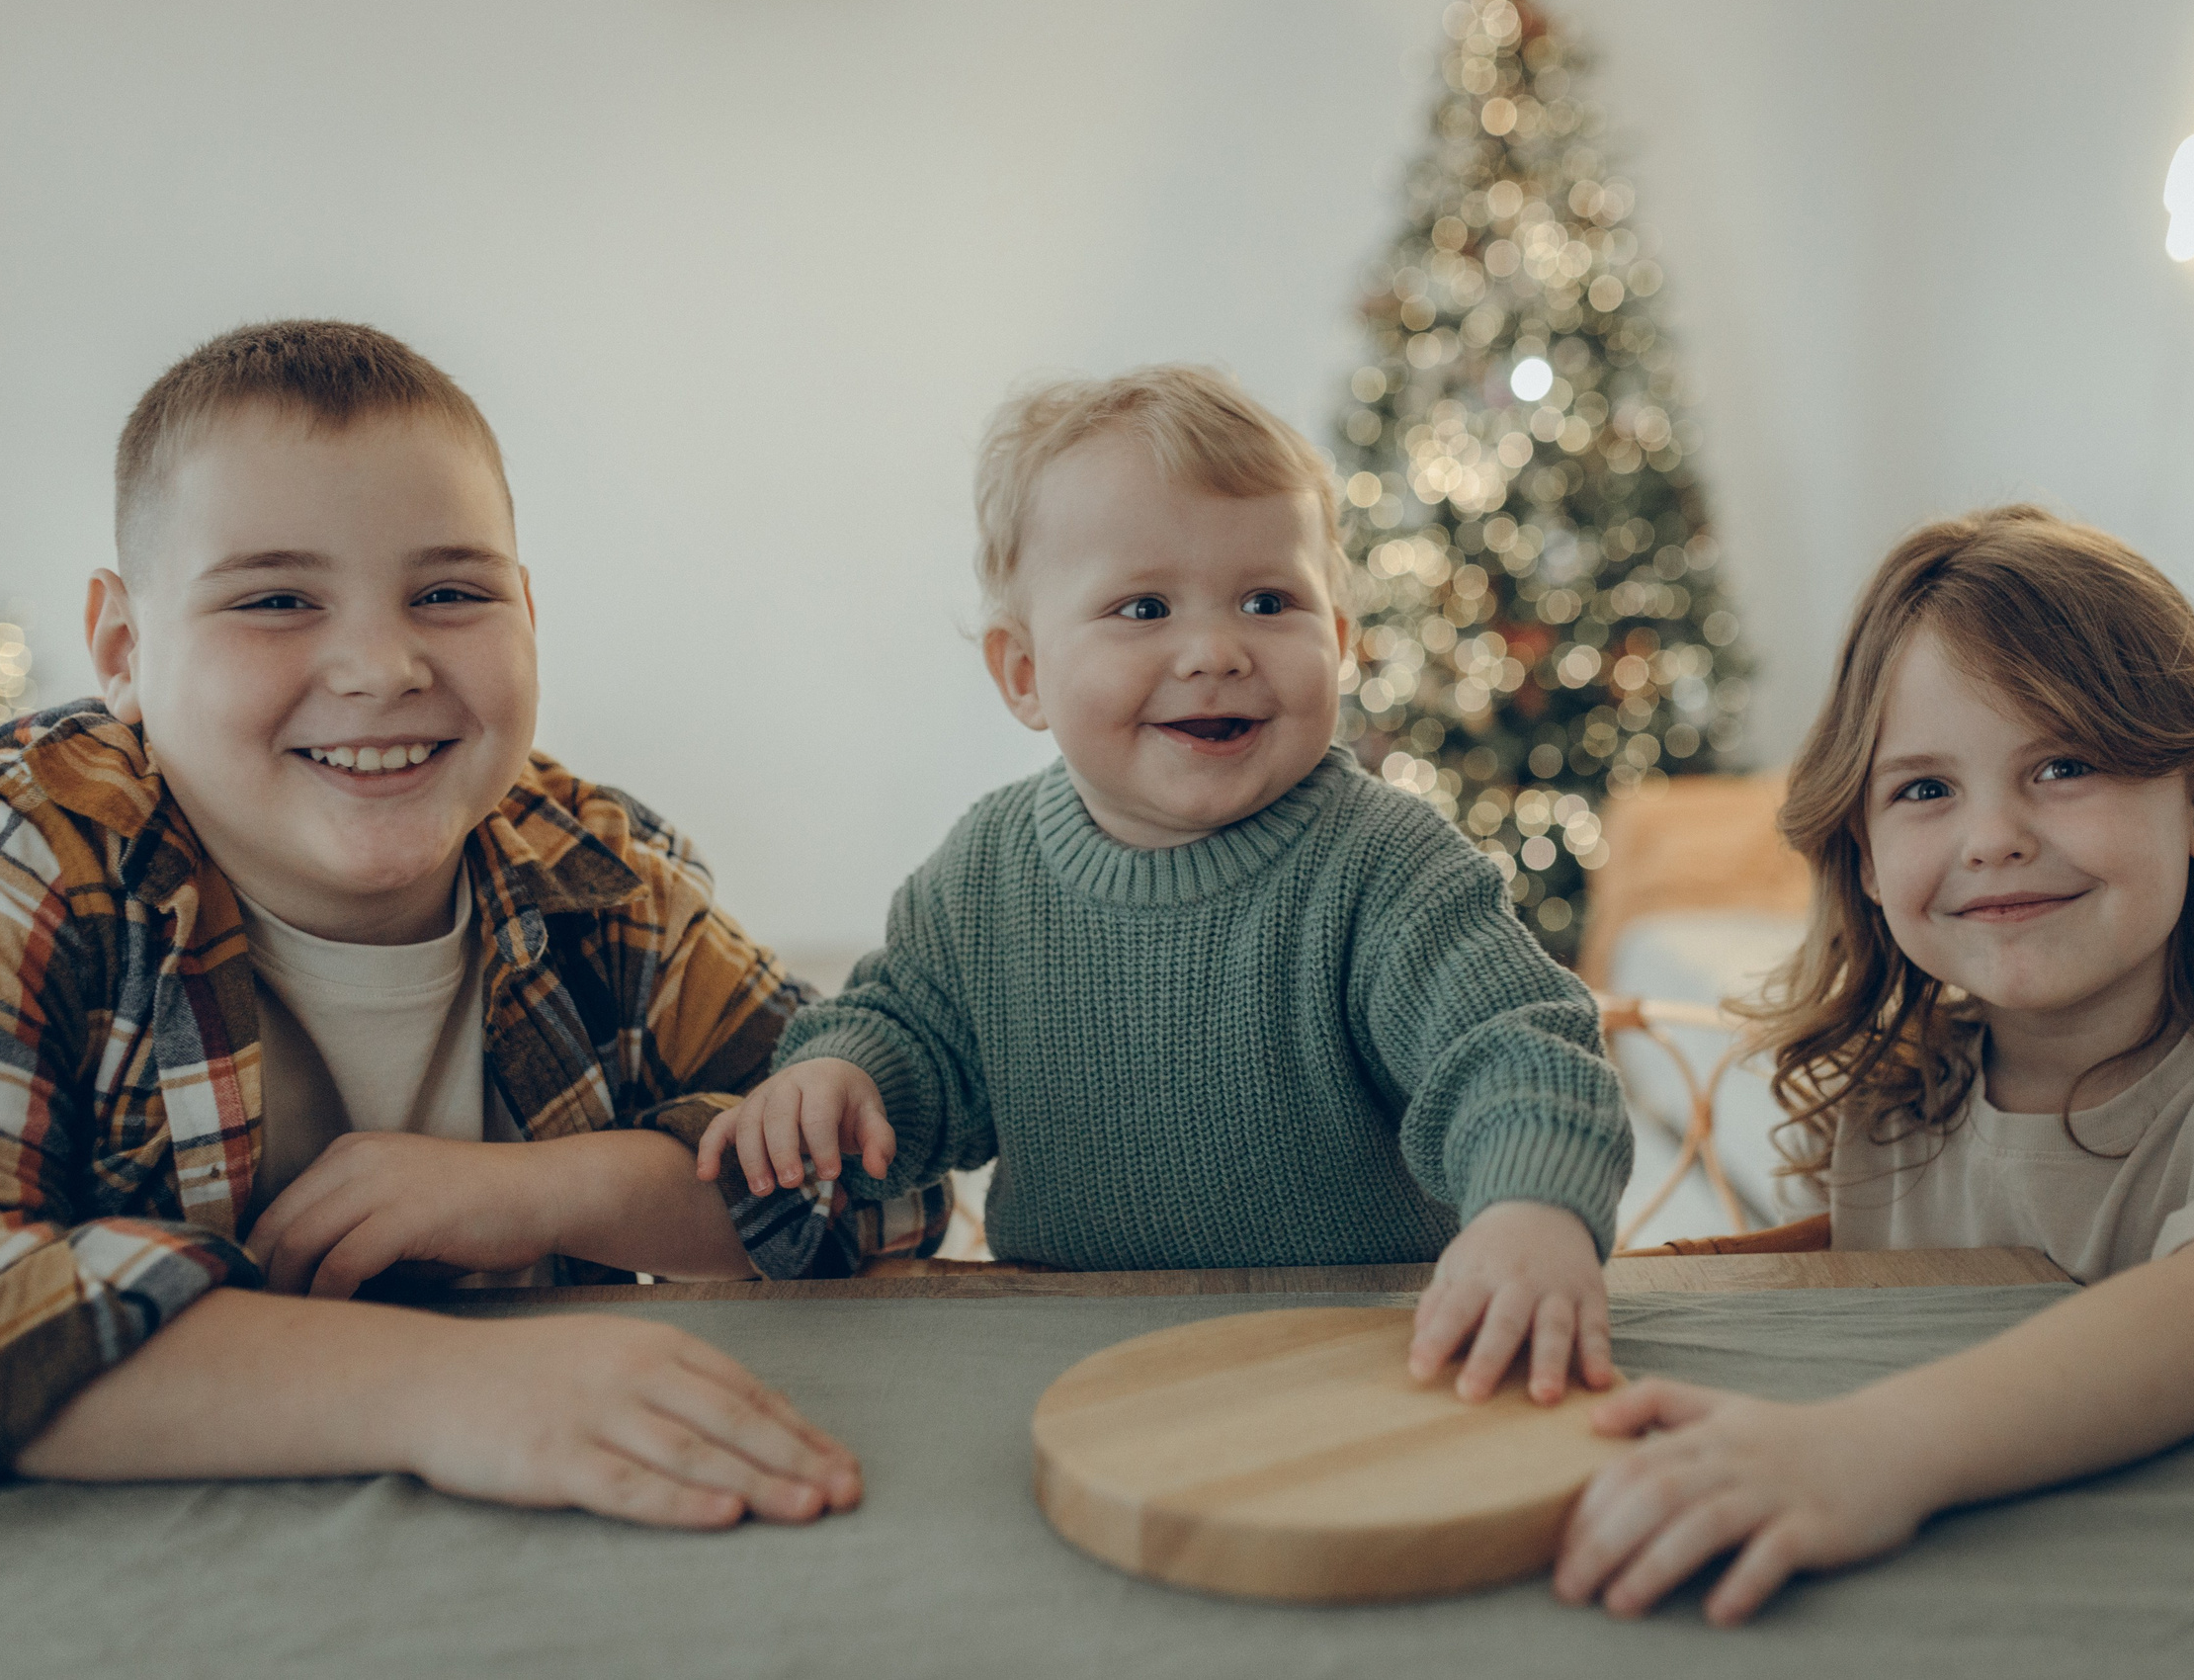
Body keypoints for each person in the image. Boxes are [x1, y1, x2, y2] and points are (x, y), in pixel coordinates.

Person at [0, 320, 940, 1524]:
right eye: (273, 599)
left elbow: (894, 1177)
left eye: (450, 592)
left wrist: (543, 1191)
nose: (382, 664)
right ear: (123, 645)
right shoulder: (13, 857)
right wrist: (444, 1387)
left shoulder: (596, 874)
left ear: (526, 610)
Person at [1552, 504, 2194, 1621]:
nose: (1991, 836)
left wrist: (1869, 1449)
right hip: (2007, 1614)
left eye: (2064, 764)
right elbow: (1886, 1293)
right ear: (1869, 863)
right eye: (1925, 789)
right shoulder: (1900, 1099)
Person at [696, 366, 1634, 1404]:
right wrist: (842, 1078)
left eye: (1267, 601)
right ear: (1023, 674)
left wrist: (1530, 1214)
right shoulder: (985, 873)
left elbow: (1512, 1050)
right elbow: (911, 1031)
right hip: (1073, 1366)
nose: (1213, 650)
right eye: (1143, 607)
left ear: (1335, 642)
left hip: (1367, 1357)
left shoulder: (1385, 865)